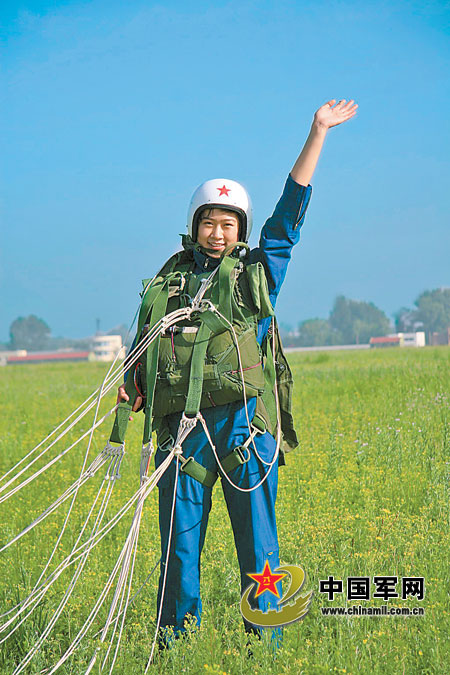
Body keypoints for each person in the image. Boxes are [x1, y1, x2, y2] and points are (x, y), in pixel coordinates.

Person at [116, 98, 358, 643]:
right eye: (209, 222)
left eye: (228, 223)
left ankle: (266, 641)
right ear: (194, 226)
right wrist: (133, 386)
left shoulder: (256, 272)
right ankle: (175, 643)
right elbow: (144, 346)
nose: (218, 232)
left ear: (240, 228)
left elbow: (288, 217)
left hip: (243, 428)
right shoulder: (167, 282)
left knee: (258, 545)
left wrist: (317, 133)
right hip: (181, 434)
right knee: (177, 546)